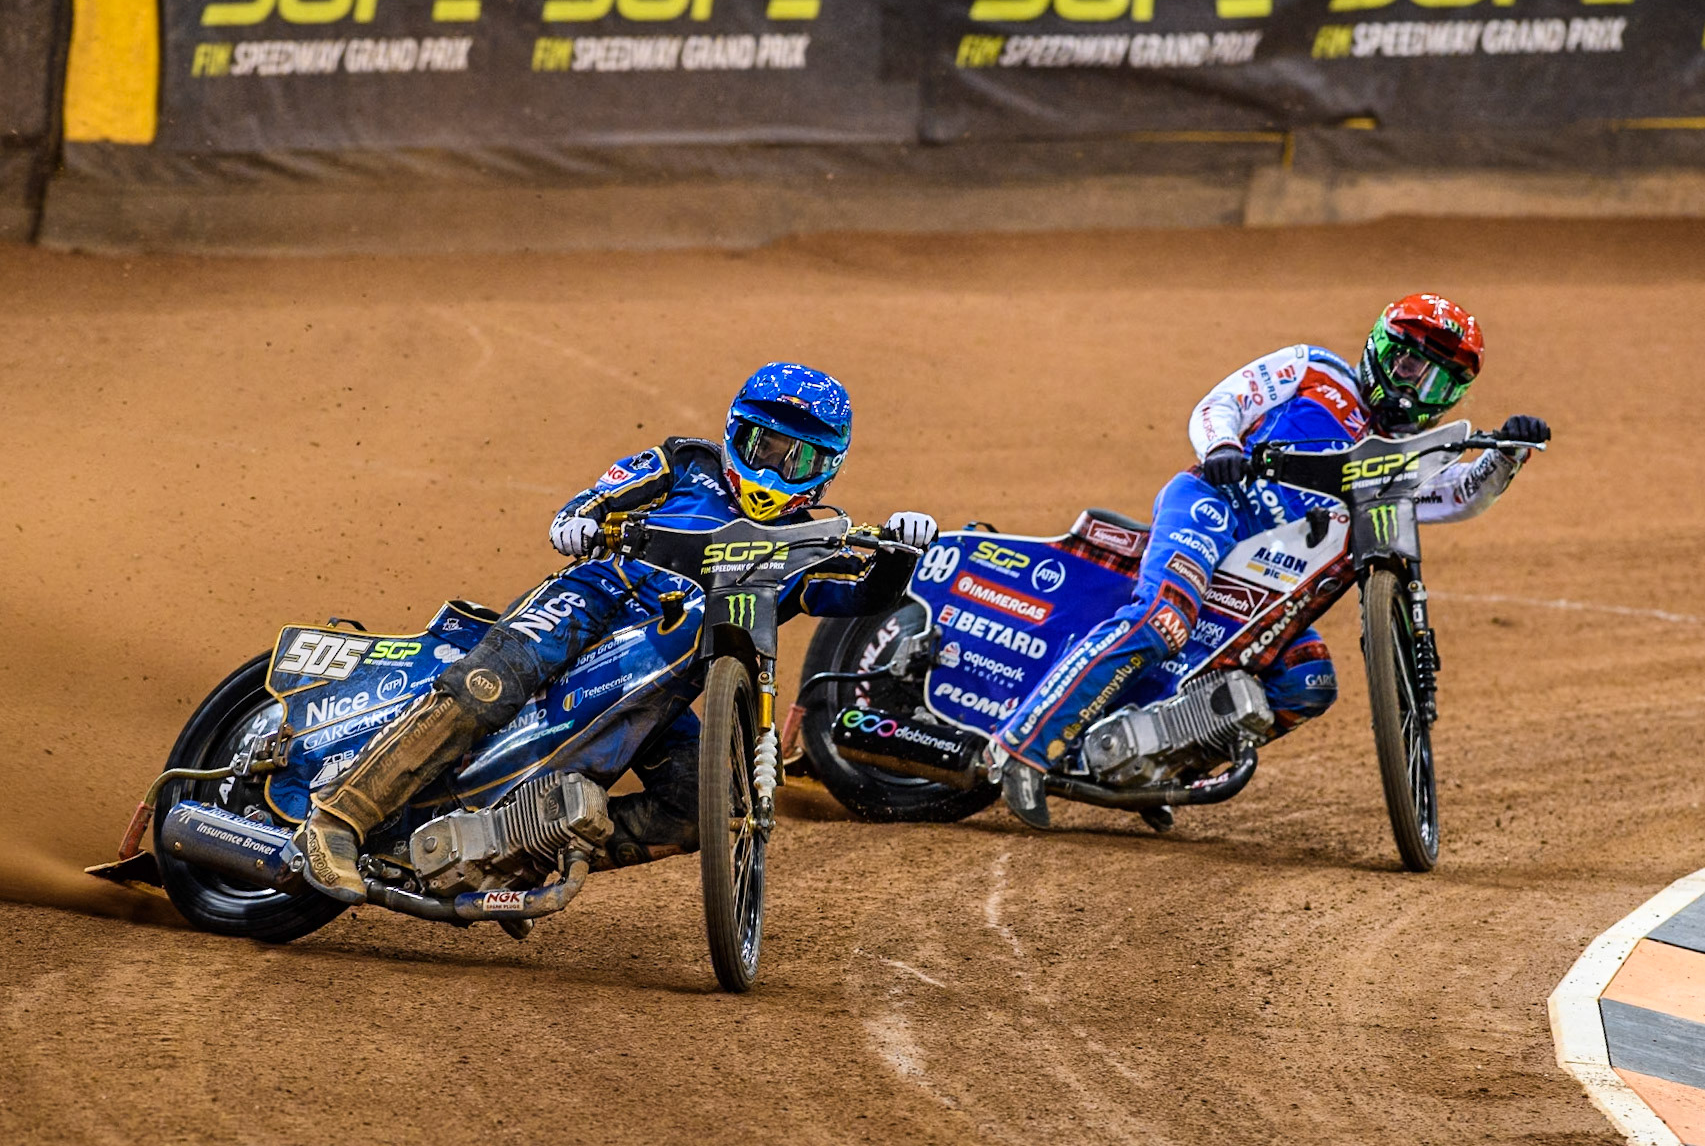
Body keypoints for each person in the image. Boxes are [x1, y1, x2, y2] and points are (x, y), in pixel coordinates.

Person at [296, 363, 938, 902]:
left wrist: (901, 552)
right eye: (764, 446)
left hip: (664, 684)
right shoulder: (686, 463)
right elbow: (590, 504)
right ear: (734, 434)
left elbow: (860, 594)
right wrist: (578, 522)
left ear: (827, 471)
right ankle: (337, 821)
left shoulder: (804, 549)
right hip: (597, 599)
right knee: (489, 685)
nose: (775, 466)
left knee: (702, 806)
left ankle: (523, 853)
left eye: (797, 459)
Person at [992, 293, 1551, 829]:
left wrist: (1508, 455)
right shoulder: (1315, 369)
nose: (1414, 388)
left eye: (1436, 380)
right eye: (1408, 364)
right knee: (1164, 618)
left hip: (1273, 586)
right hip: (1214, 509)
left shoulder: (1406, 460)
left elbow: (1455, 495)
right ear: (1380, 348)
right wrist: (1222, 448)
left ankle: (1151, 769)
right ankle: (1023, 750)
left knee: (1307, 684)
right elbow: (1222, 404)